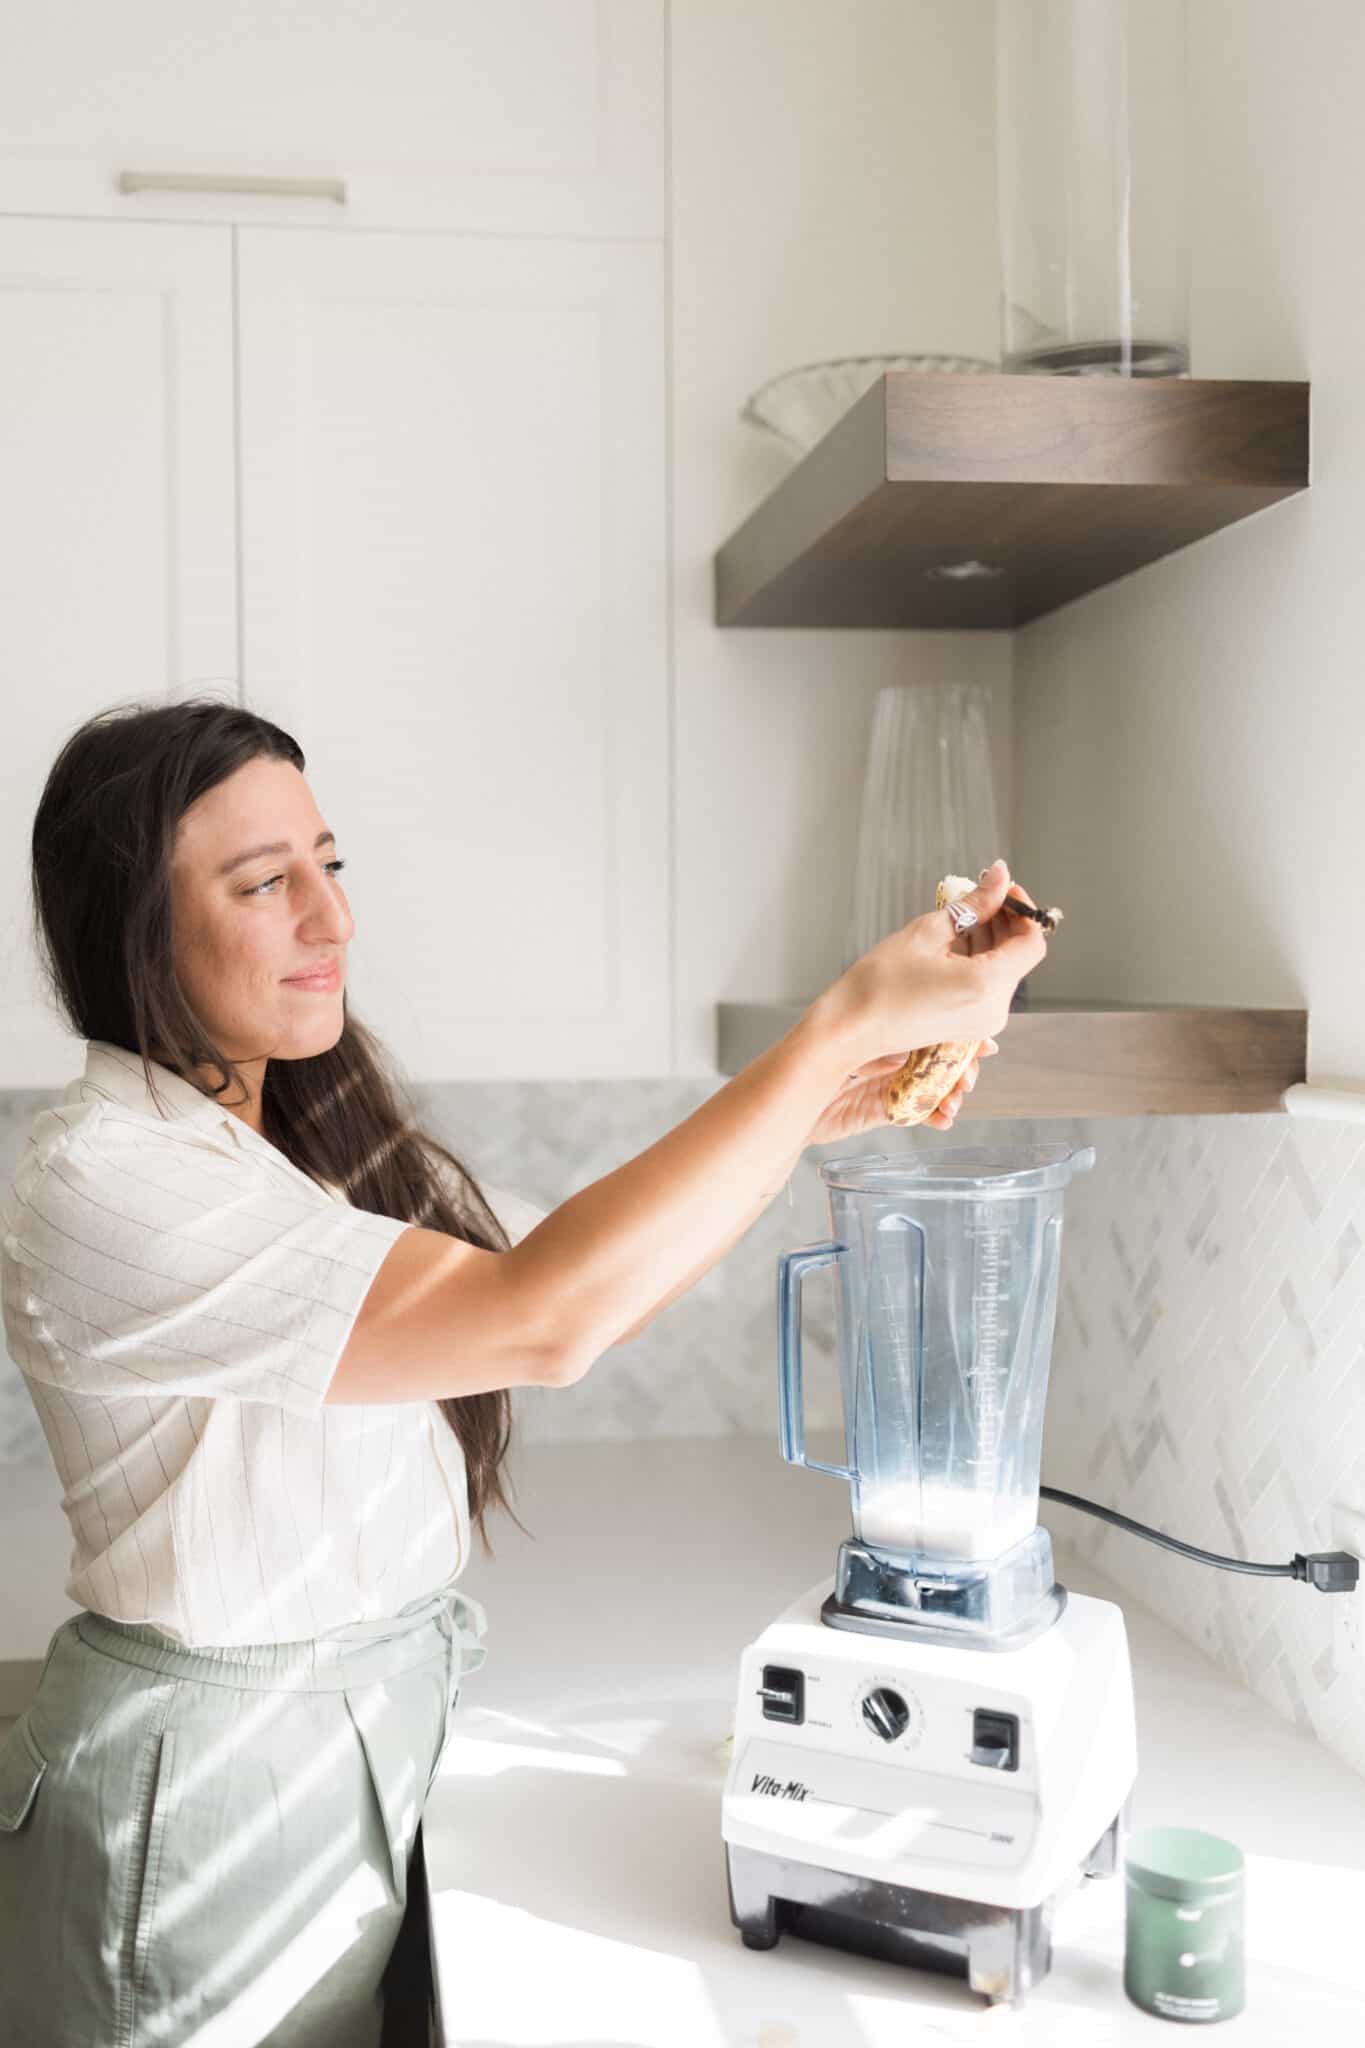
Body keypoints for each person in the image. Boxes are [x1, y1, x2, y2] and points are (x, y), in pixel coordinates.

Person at [0, 697, 1047, 2047]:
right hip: (204, 1801)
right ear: (132, 928)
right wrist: (835, 1027)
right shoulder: (107, 1181)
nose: (333, 920)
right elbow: (541, 1317)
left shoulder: (286, 1142)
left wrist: (824, 1100)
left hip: (340, 1741)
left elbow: (585, 1278)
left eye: (329, 864)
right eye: (267, 884)